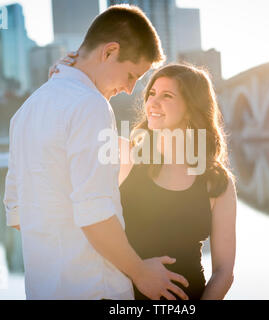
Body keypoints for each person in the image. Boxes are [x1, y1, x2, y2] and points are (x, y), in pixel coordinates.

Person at [3, 5, 189, 300]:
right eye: (131, 75)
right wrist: (141, 273)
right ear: (109, 52)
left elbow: (16, 214)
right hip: (93, 289)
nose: (130, 90)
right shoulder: (90, 106)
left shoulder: (26, 111)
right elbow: (94, 213)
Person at [51, 59, 237, 299]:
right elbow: (64, 135)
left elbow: (224, 271)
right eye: (151, 93)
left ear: (192, 107)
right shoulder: (123, 155)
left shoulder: (216, 181)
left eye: (167, 96)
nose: (153, 102)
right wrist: (62, 79)